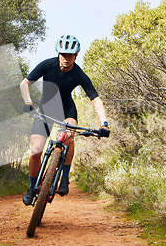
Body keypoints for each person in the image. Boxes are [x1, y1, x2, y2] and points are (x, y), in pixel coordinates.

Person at [19, 34, 110, 205]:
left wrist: (104, 123)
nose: (65, 58)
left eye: (69, 55)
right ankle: (32, 188)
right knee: (35, 150)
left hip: (67, 109)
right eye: (63, 54)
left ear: (76, 55)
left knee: (69, 135)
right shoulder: (47, 65)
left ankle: (65, 178)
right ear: (58, 54)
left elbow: (95, 99)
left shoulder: (79, 74)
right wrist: (28, 103)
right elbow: (25, 84)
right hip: (46, 109)